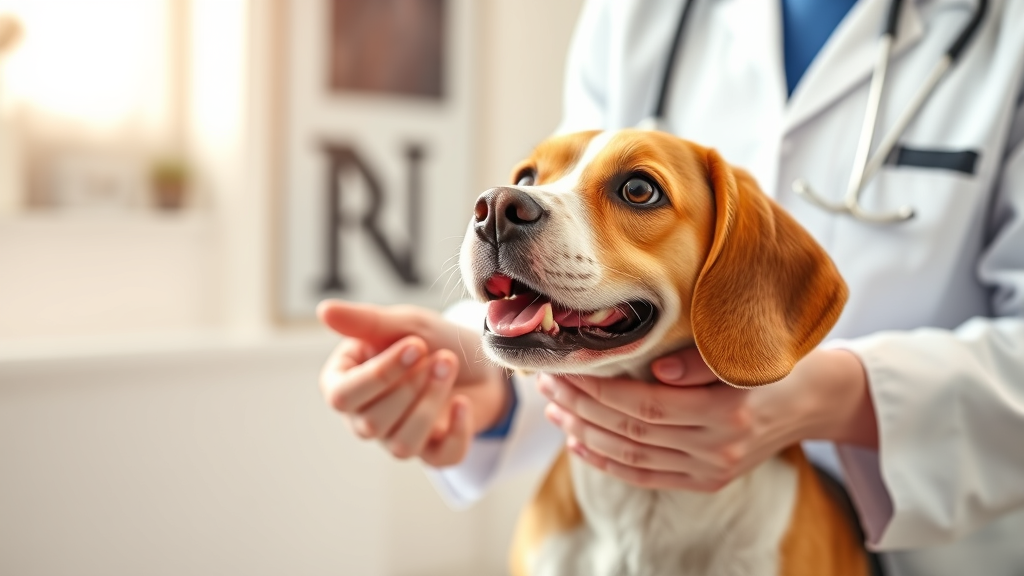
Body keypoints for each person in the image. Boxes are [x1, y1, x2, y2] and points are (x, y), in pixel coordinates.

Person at [318, 1, 1024, 574]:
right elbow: (576, 266)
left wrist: (827, 397)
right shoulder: (638, 12)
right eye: (527, 178)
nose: (516, 202)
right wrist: (484, 377)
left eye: (636, 189)